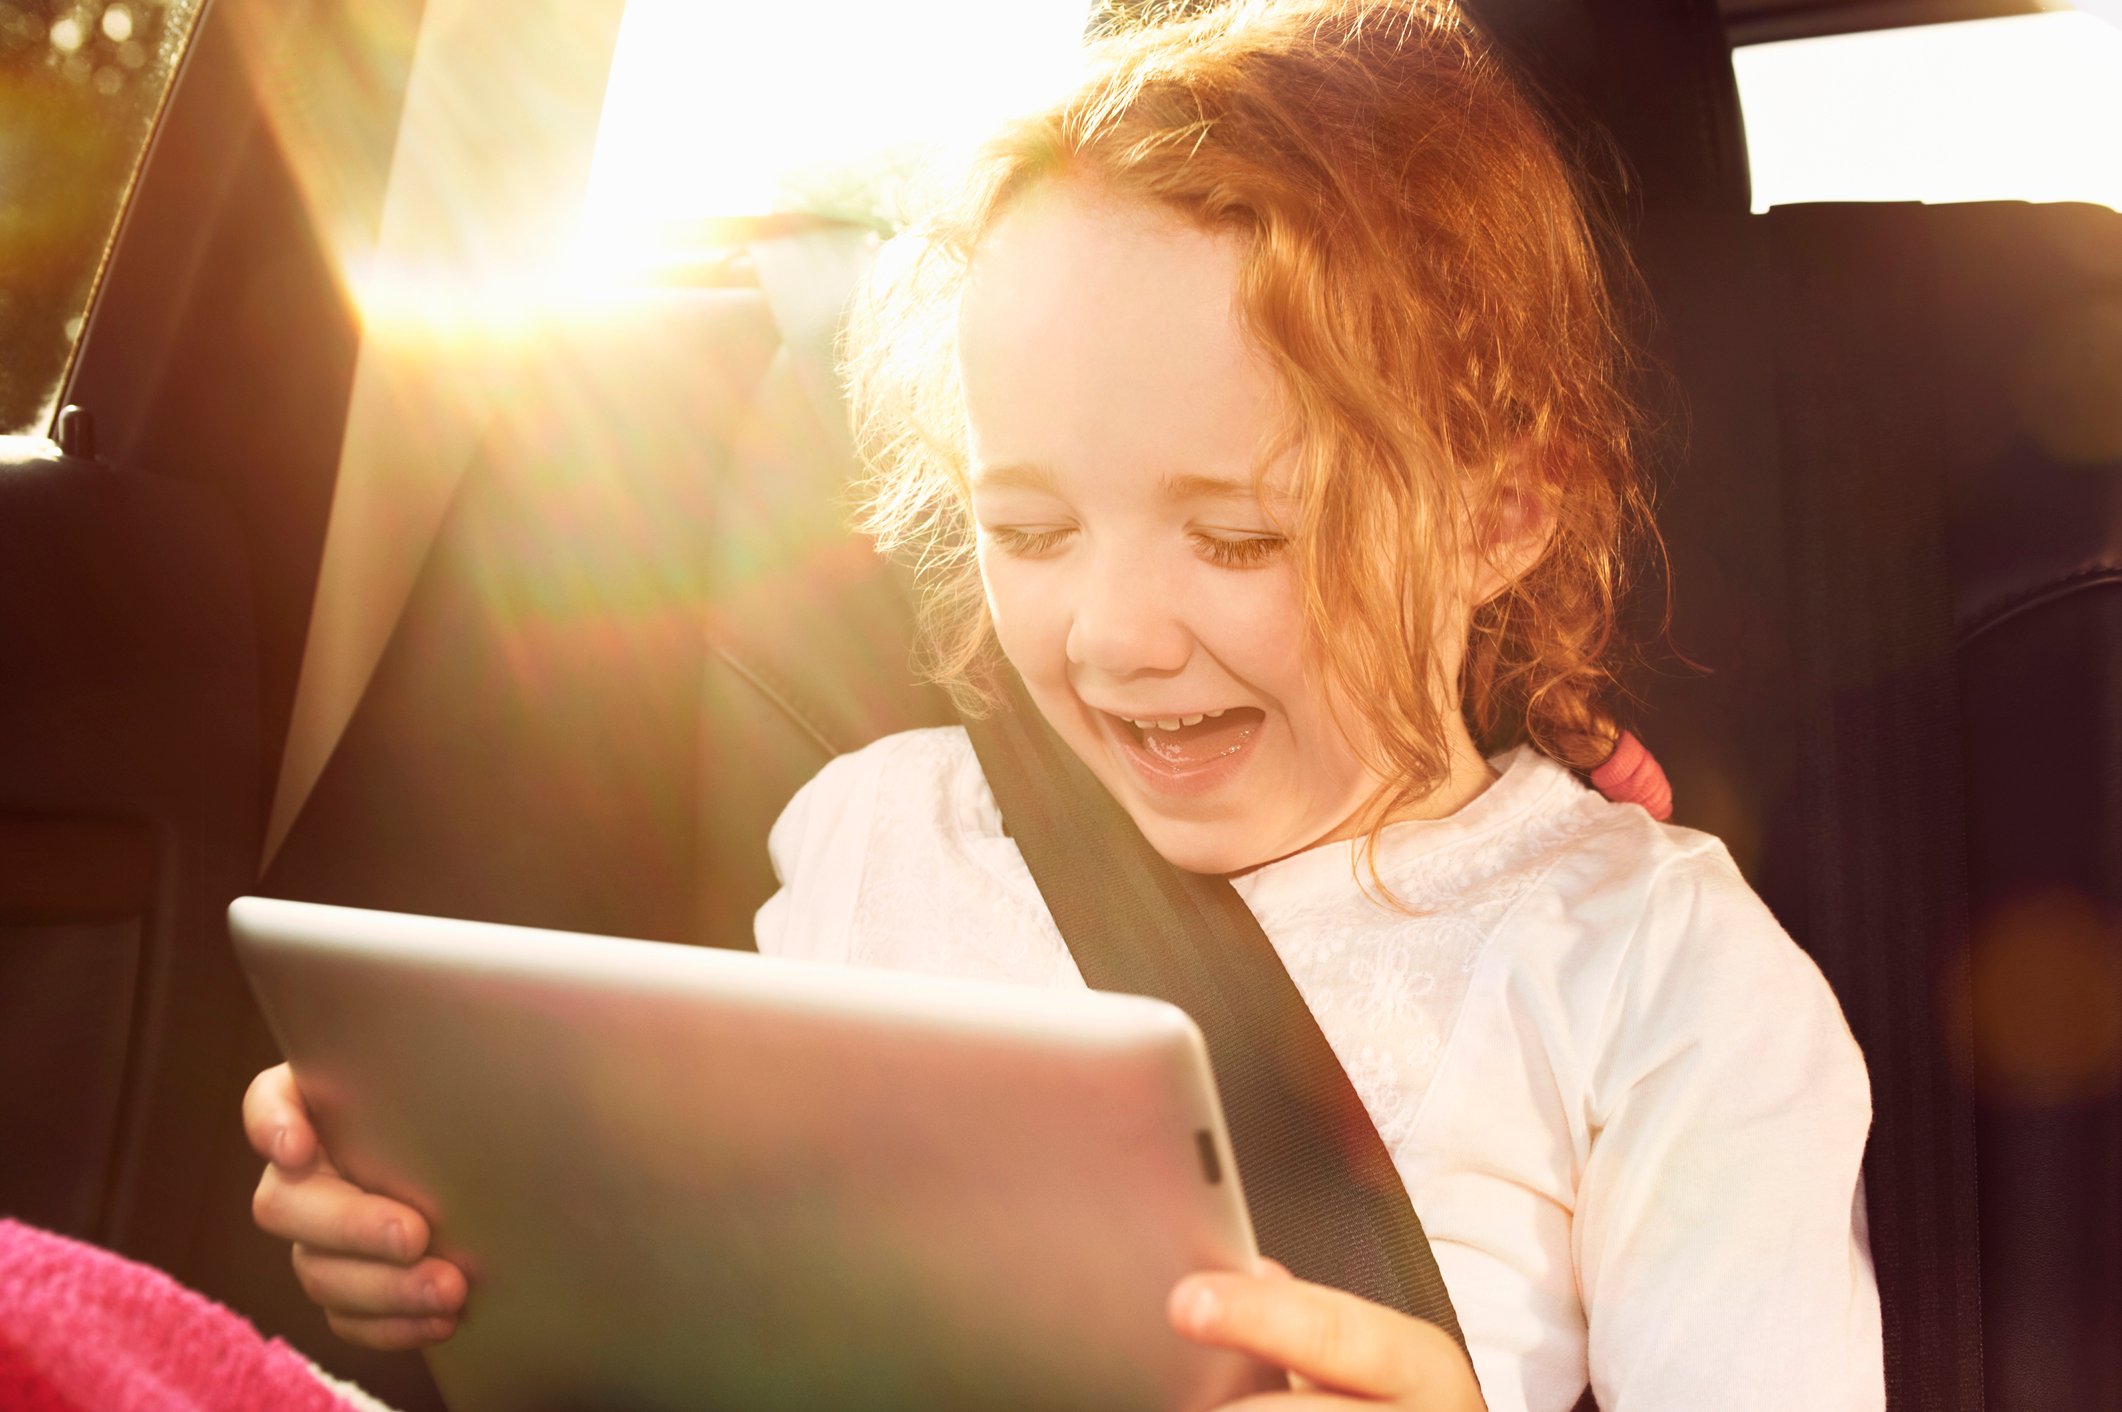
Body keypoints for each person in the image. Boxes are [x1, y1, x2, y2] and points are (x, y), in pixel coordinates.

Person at [245, 2, 1884, 1408]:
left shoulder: (1656, 982)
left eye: (1239, 535)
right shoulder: (875, 831)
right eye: (1023, 528)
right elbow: (730, 1295)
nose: (1109, 637)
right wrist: (457, 1246)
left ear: (1498, 517)